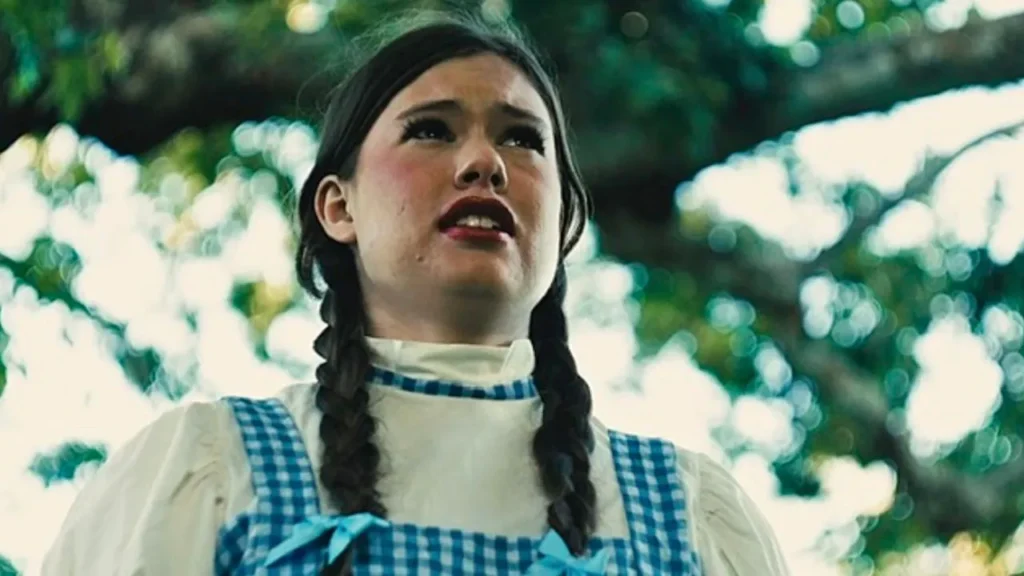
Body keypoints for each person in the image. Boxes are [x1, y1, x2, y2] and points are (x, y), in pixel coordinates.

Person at [41, 11, 790, 576]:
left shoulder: (688, 516)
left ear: (565, 225)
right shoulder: (213, 470)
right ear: (338, 207)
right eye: (431, 130)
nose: (484, 163)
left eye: (523, 139)